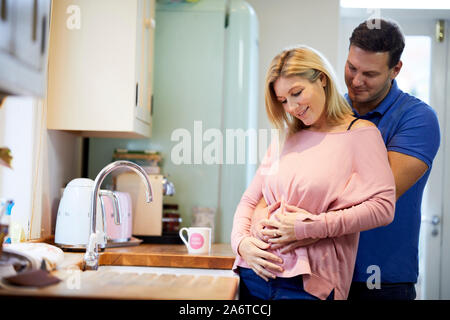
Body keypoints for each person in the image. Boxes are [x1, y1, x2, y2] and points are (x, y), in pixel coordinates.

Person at [250, 19, 441, 300]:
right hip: (320, 273)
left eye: (370, 74)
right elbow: (278, 188)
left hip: (380, 278)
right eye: (351, 68)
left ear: (395, 70)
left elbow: (370, 199)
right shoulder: (323, 113)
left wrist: (304, 226)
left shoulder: (417, 119)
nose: (356, 80)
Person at [230, 45, 396, 300]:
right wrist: (241, 243)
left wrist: (308, 227)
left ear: (322, 79)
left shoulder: (361, 134)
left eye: (297, 93)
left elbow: (383, 208)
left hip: (308, 285)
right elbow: (249, 200)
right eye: (283, 100)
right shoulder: (284, 138)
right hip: (253, 275)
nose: (292, 107)